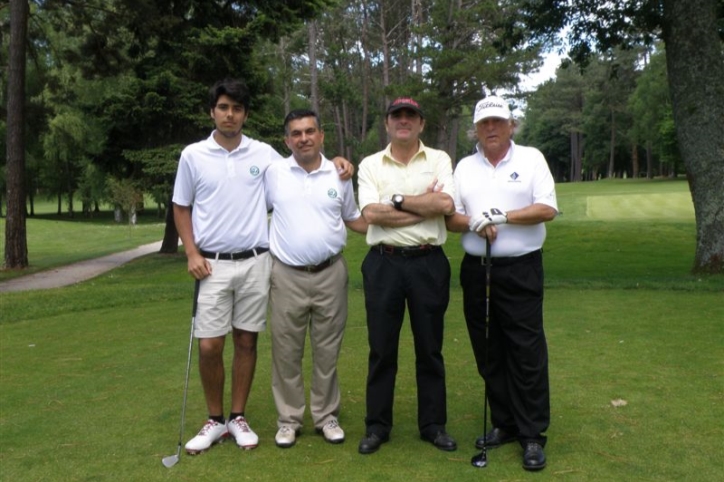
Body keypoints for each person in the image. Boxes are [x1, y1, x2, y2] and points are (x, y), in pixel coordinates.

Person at [172, 79, 353, 455]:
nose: (230, 114)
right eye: (223, 107)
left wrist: (337, 160)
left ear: (245, 115)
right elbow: (181, 205)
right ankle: (214, 418)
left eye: (237, 109)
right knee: (209, 346)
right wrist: (191, 252)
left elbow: (306, 160)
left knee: (247, 341)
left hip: (256, 261)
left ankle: (238, 417)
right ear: (212, 112)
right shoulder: (193, 155)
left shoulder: (264, 156)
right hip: (211, 264)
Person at [445, 95, 558, 471]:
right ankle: (505, 423)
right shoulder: (464, 166)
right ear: (475, 129)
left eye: (498, 122)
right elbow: (451, 217)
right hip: (477, 269)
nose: (491, 128)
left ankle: (532, 435)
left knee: (526, 351)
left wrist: (503, 216)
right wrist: (474, 221)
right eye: (484, 123)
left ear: (511, 125)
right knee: (488, 350)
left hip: (521, 268)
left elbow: (547, 208)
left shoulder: (531, 159)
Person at [356, 97, 457, 455]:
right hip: (384, 263)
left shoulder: (439, 160)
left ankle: (433, 425)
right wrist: (419, 205)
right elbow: (371, 214)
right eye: (396, 115)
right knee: (382, 349)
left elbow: (445, 206)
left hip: (429, 263)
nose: (403, 121)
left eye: (410, 116)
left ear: (421, 124)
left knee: (430, 348)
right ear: (387, 123)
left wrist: (395, 202)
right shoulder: (370, 164)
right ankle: (377, 426)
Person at [265, 109, 368, 448]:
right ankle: (289, 419)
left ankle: (325, 416)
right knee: (285, 352)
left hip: (330, 274)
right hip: (286, 275)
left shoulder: (339, 174)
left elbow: (353, 218)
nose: (304, 138)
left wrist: (399, 224)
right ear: (287, 140)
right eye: (296, 133)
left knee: (327, 351)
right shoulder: (274, 173)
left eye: (310, 131)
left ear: (322, 135)